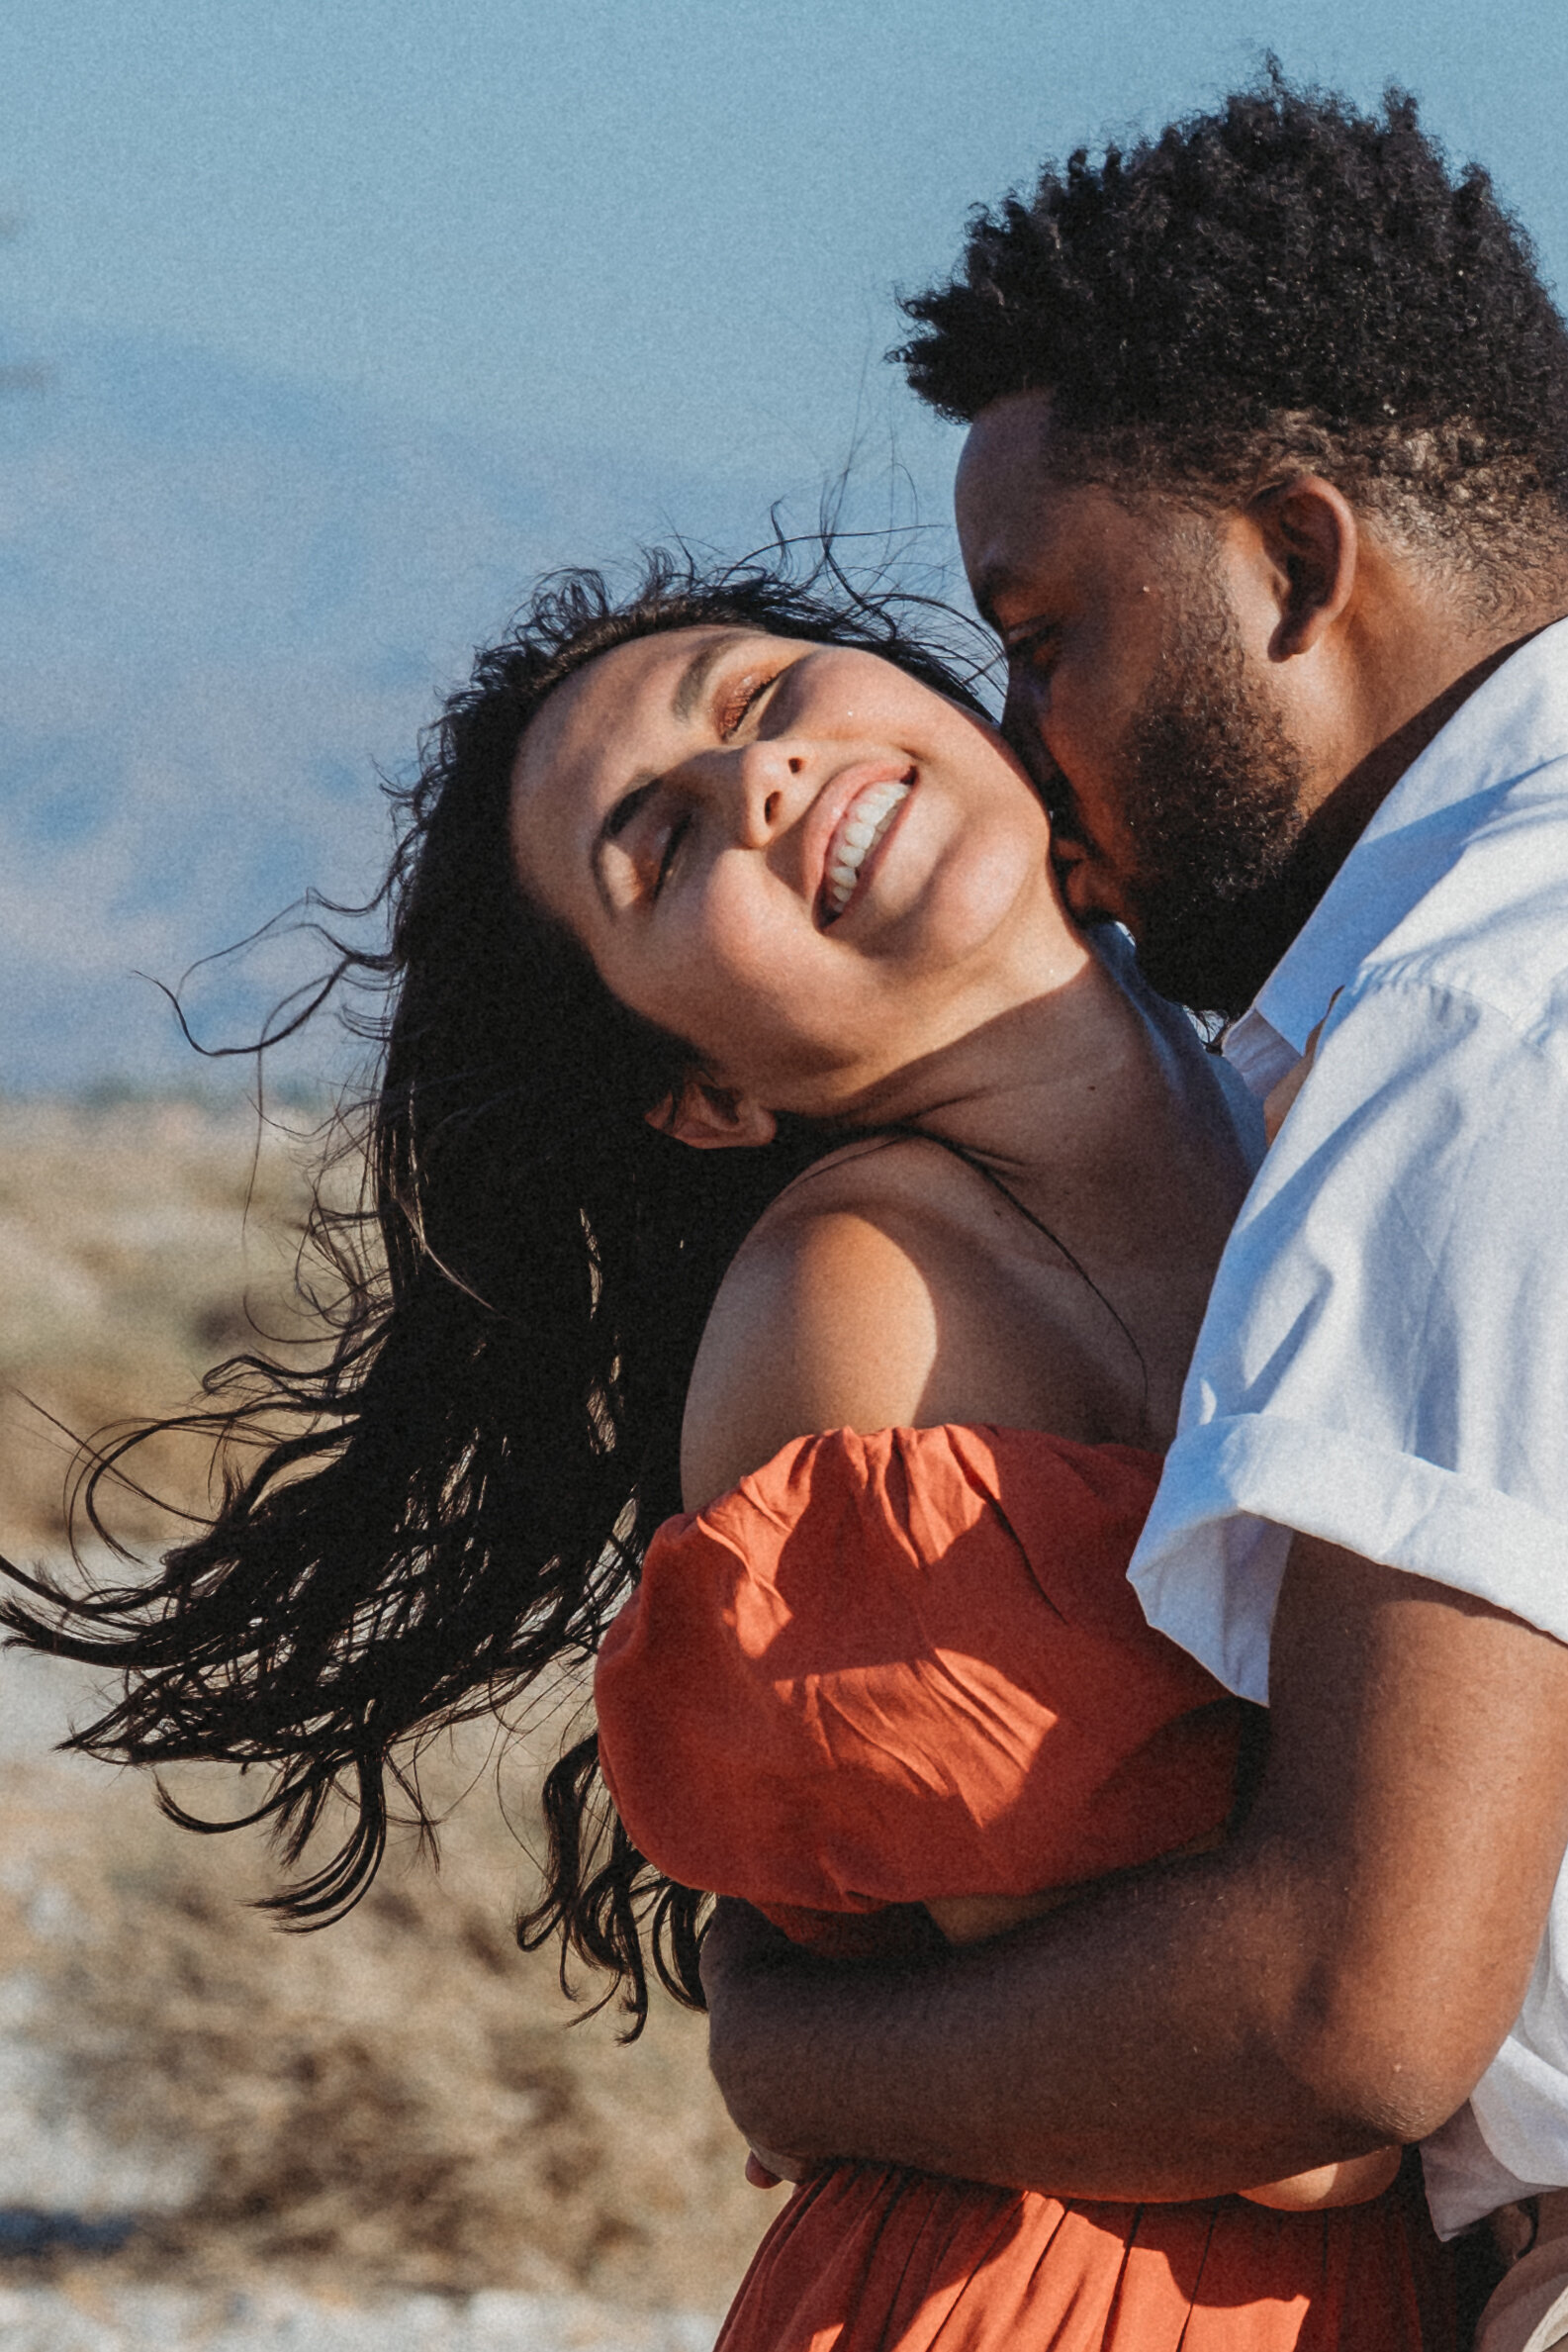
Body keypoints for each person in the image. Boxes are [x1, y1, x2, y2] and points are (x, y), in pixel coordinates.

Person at [3, 553, 1446, 2346]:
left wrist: (800, 2044)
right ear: (710, 1094)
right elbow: (1272, 2111)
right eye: (661, 852)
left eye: (761, 699)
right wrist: (801, 2060)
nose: (755, 780)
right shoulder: (869, 1305)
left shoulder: (1346, 1090)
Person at [694, 72, 1568, 2352]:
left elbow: (1343, 2016)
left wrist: (791, 2051)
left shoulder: (1483, 1026)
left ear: (1290, 558)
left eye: (1047, 631)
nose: (1019, 724)